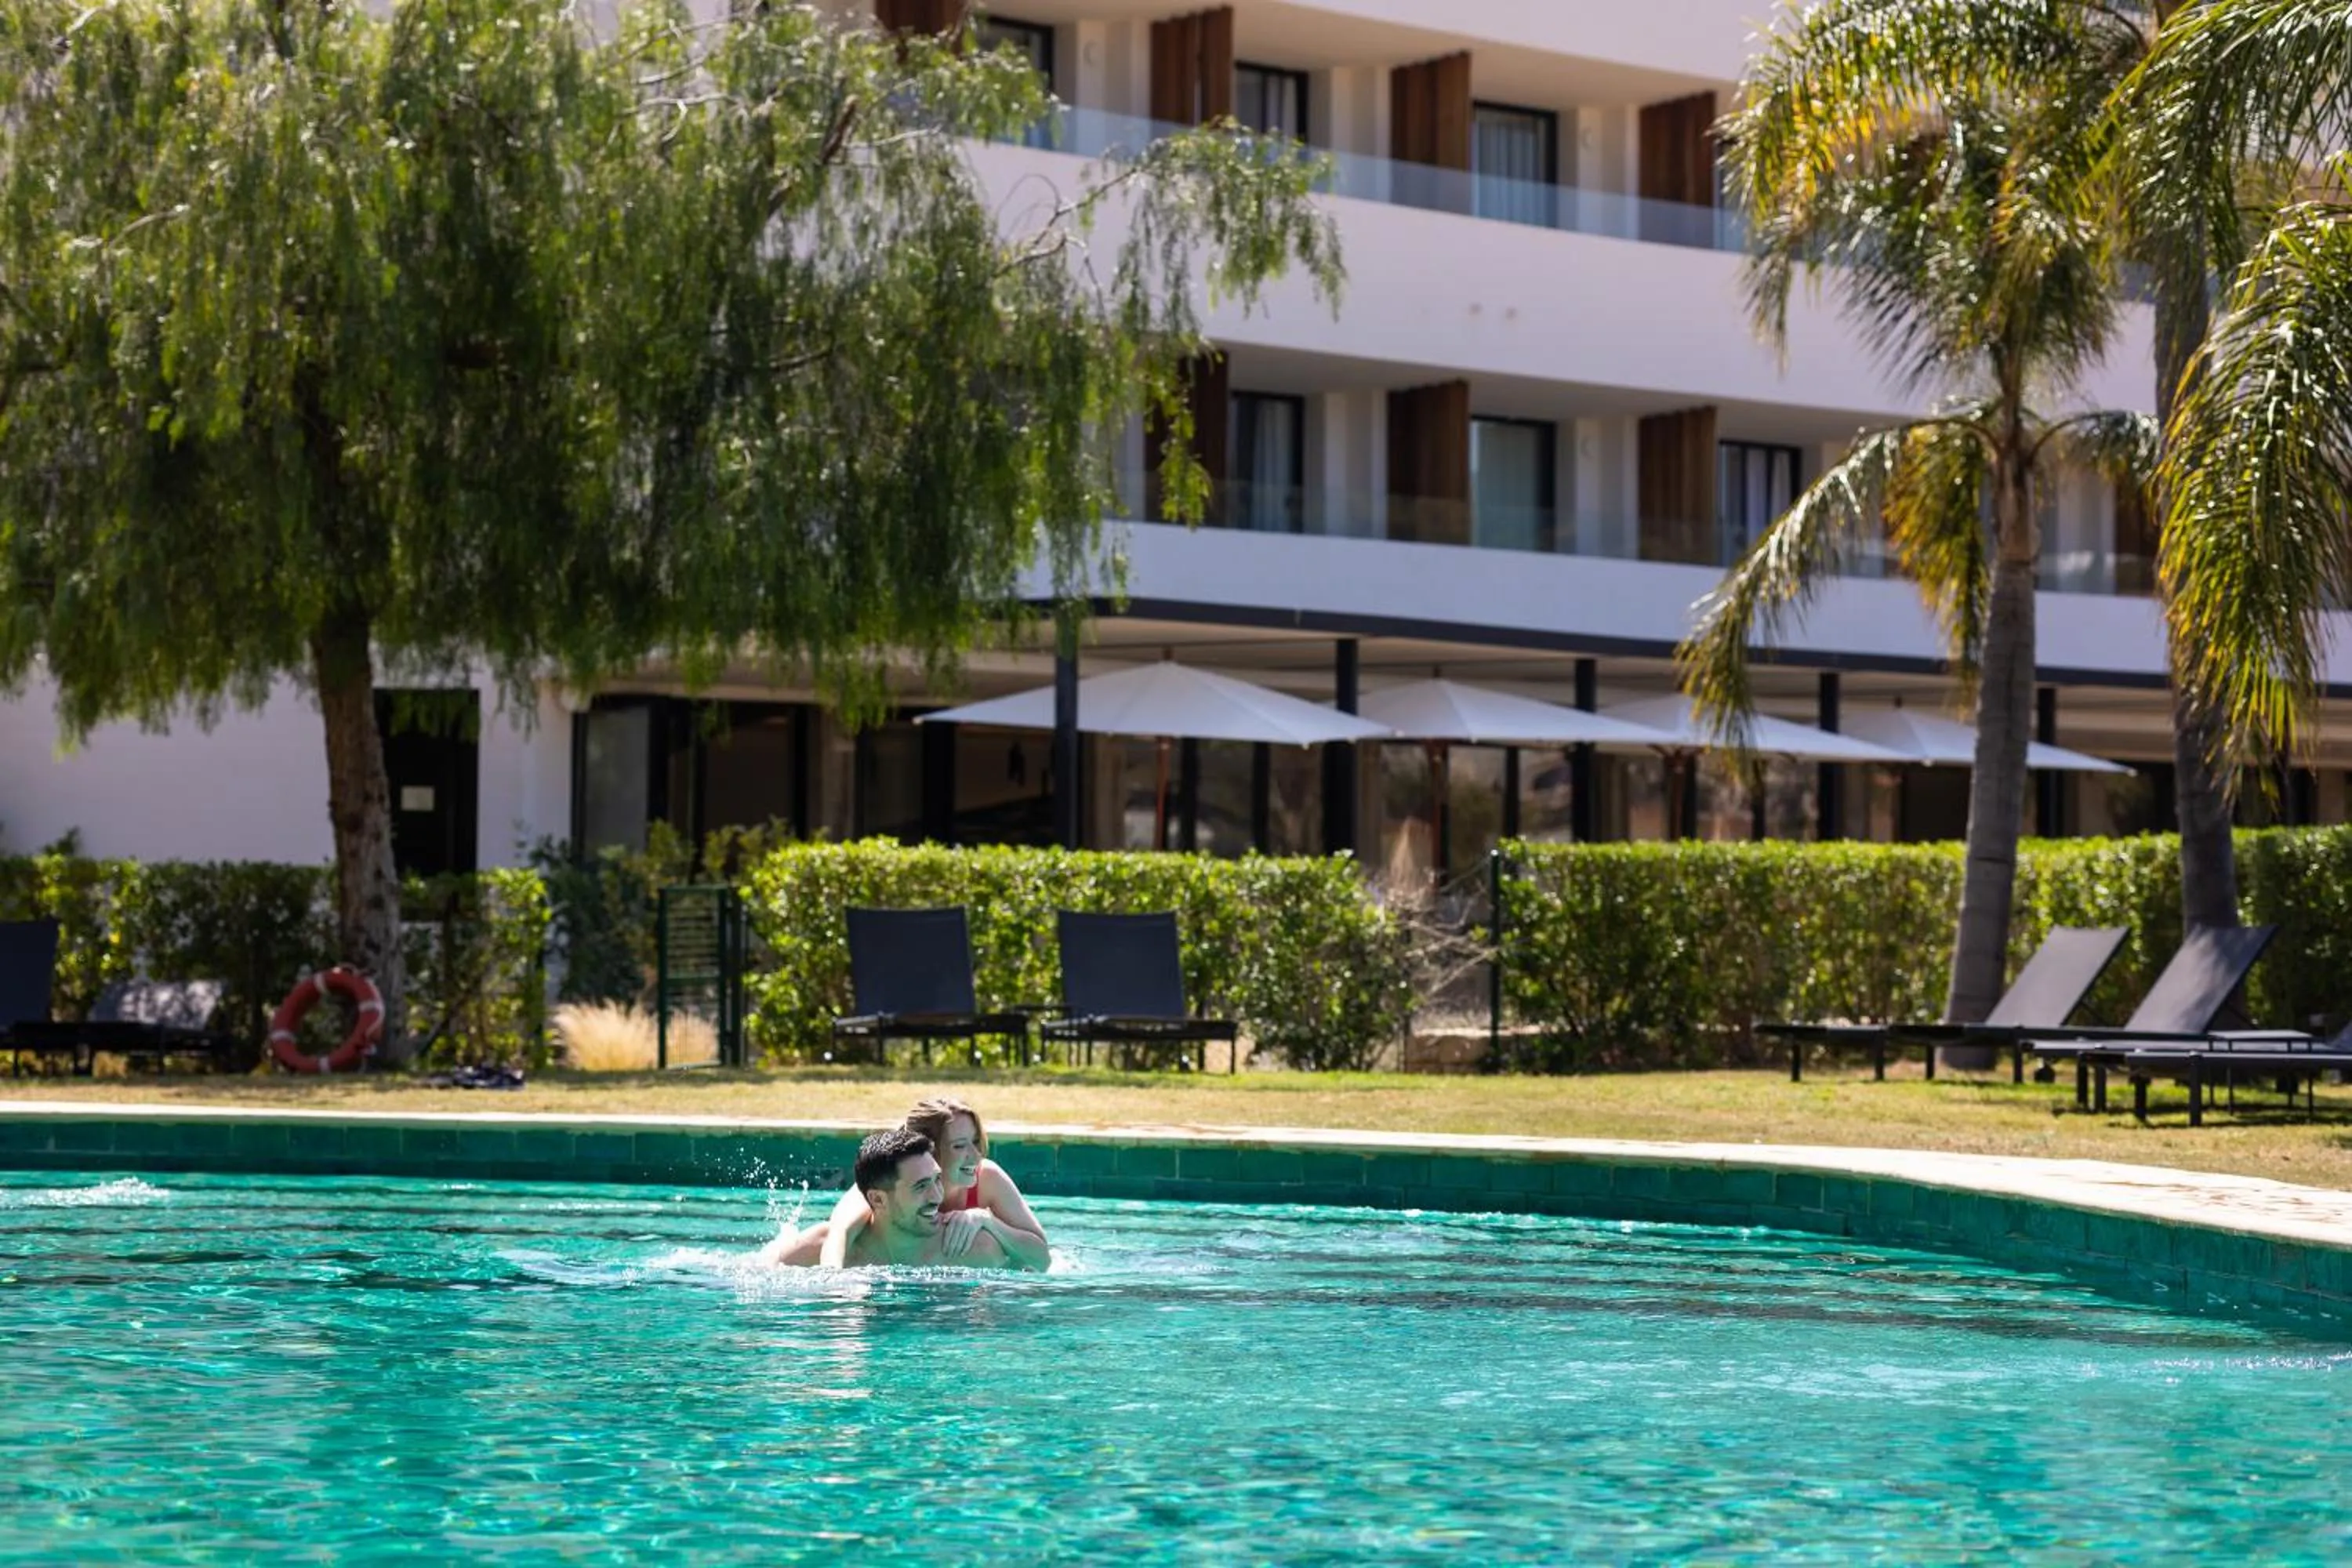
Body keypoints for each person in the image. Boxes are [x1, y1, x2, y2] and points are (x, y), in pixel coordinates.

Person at [816, 1098, 1049, 1270]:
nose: (976, 1155)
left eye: (976, 1141)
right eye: (959, 1146)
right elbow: (838, 1234)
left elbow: (1043, 1259)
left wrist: (986, 1221)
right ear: (928, 1151)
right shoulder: (889, 1186)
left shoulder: (986, 1178)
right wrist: (836, 1292)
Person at [760, 1129, 1013, 1270]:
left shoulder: (974, 1251)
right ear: (878, 1200)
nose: (938, 1197)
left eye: (937, 1180)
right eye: (921, 1186)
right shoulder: (818, 1250)